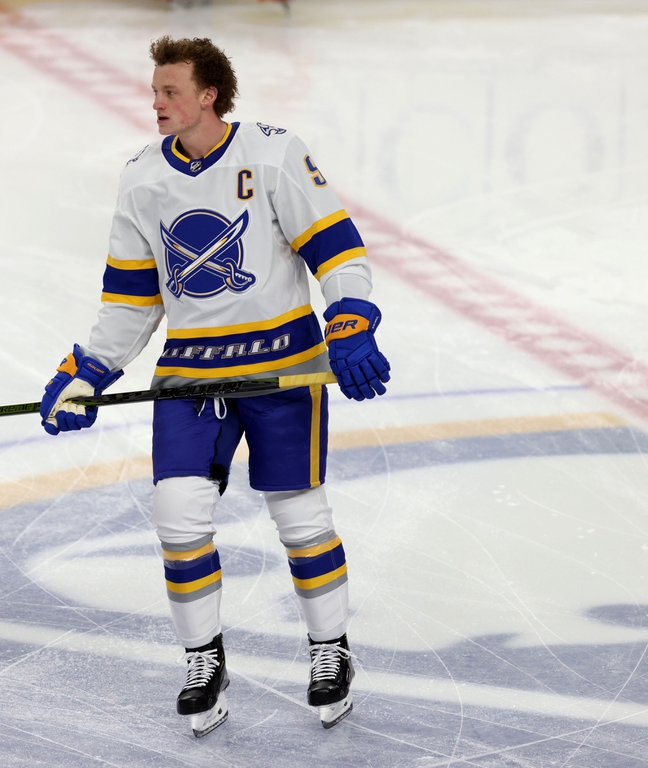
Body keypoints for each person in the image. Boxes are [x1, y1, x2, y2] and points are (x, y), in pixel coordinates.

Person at [39, 35, 389, 737]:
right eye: (155, 90)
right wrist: (88, 370)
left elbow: (336, 248)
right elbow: (133, 299)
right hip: (192, 374)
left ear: (209, 95)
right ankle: (204, 661)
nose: (156, 101)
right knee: (179, 518)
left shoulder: (274, 153)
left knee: (301, 519)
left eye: (170, 90)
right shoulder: (142, 178)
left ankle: (331, 653)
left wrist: (349, 320)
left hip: (281, 364)